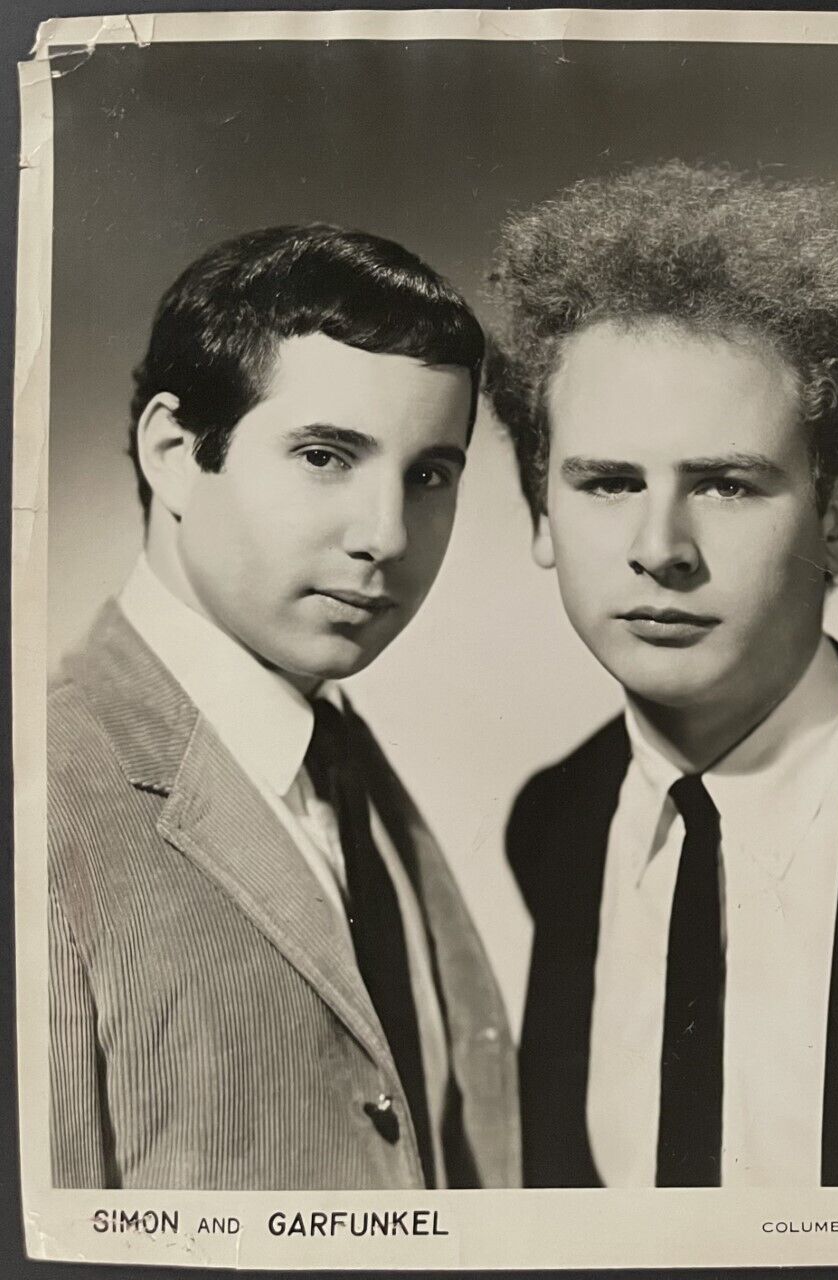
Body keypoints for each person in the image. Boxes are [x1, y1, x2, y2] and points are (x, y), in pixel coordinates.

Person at [485, 163, 838, 1189]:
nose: (659, 548)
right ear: (542, 515)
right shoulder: (554, 819)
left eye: (724, 483)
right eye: (607, 482)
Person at [49, 225, 518, 1190]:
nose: (386, 535)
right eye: (325, 456)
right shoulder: (44, 800)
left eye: (428, 475)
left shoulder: (343, 763)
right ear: (174, 452)